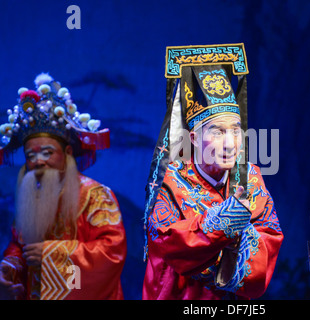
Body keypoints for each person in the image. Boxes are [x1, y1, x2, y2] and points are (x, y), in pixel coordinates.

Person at [142, 43, 284, 299]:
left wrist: (209, 244)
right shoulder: (171, 182)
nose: (231, 143)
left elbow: (270, 240)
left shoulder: (249, 176)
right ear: (194, 138)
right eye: (217, 132)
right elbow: (169, 247)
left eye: (236, 130)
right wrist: (223, 223)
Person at [0, 73, 127, 300]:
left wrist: (51, 254)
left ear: (67, 153)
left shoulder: (95, 195)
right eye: (31, 155)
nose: (38, 161)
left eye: (47, 153)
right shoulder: (31, 195)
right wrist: (10, 266)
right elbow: (19, 246)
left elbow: (112, 251)